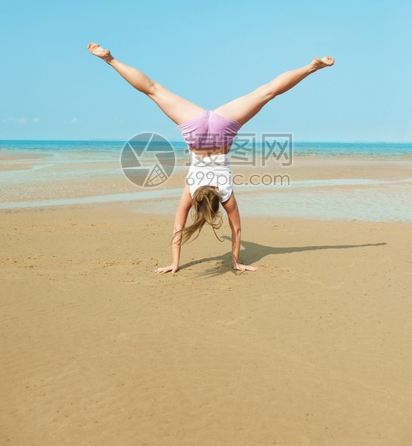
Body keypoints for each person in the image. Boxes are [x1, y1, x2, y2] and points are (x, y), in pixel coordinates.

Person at [87, 43, 334, 274]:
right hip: (195, 129)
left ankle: (312, 67)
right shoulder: (192, 190)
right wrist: (175, 260)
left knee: (265, 93)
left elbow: (236, 229)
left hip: (223, 128)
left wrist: (235, 262)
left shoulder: (224, 193)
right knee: (153, 90)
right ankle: (110, 59)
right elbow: (177, 229)